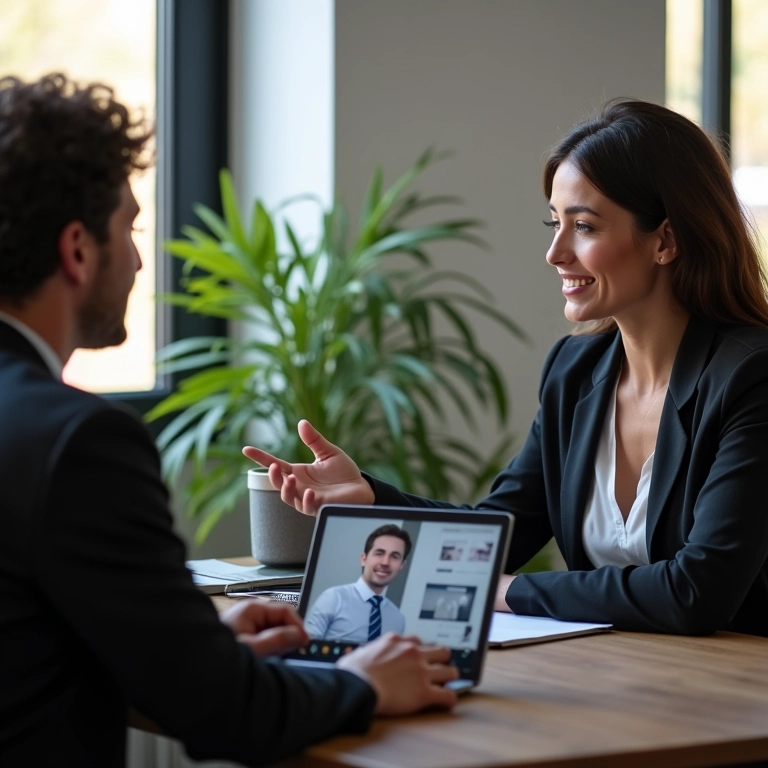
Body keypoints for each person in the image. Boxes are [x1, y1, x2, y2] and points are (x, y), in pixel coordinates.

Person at [0, 73, 458, 768]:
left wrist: (195, 646)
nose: (137, 256)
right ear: (77, 249)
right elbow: (229, 716)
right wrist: (359, 683)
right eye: (130, 226)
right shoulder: (79, 442)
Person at [245, 98, 768, 639]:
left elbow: (698, 591)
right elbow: (498, 532)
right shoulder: (576, 369)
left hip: (735, 691)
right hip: (615, 674)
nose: (555, 252)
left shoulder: (751, 377)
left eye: (584, 227)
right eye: (554, 223)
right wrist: (373, 497)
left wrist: (507, 591)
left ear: (665, 240)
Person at [305, 524, 410, 642]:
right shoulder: (333, 598)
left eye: (394, 556)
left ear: (401, 565)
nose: (385, 562)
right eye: (379, 553)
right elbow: (306, 648)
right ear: (363, 559)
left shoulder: (398, 620)